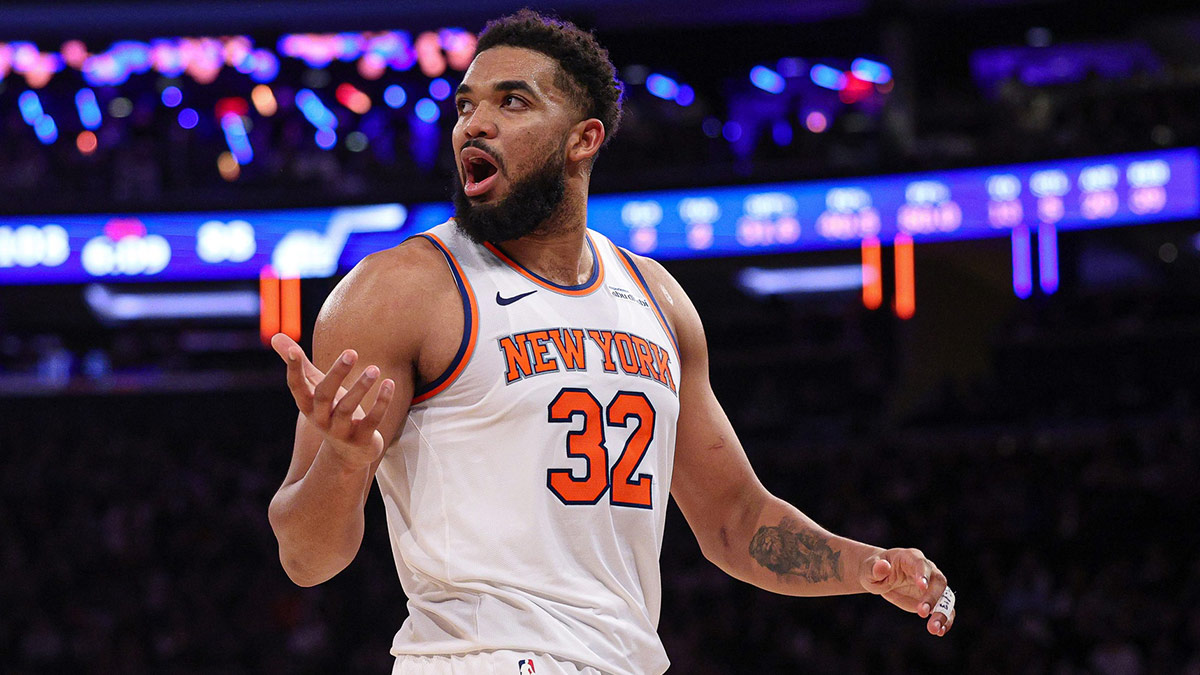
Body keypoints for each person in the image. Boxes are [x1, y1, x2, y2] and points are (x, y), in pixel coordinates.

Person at [268, 10, 956, 674]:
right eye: (465, 105)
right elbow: (306, 557)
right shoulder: (399, 290)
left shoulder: (656, 298)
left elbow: (736, 521)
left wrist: (864, 566)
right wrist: (345, 460)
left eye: (512, 102)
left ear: (584, 138)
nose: (474, 124)